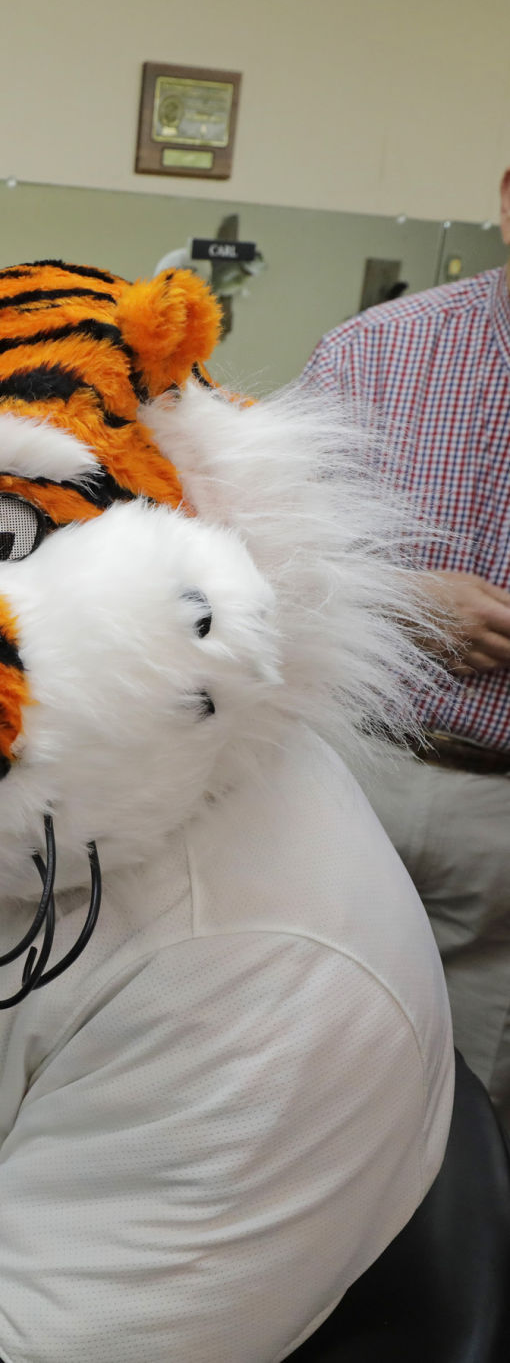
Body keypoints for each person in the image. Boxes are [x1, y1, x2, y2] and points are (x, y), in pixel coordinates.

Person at [301, 165, 510, 1122]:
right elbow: (250, 556)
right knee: (288, 1052)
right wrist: (397, 600)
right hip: (352, 767)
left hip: (500, 830)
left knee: (468, 1113)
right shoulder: (374, 354)